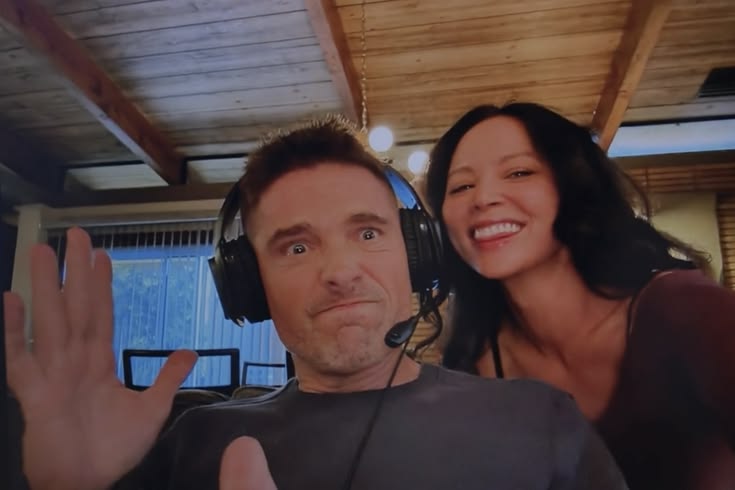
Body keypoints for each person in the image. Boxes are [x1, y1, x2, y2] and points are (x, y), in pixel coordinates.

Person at [4, 116, 628, 490]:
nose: (340, 272)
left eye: (367, 233)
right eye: (296, 248)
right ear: (250, 285)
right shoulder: (192, 443)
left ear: (416, 257)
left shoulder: (540, 419)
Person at [424, 102, 735, 490]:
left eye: (519, 172)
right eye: (461, 186)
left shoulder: (681, 305)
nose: (483, 197)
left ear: (572, 184)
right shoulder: (473, 364)